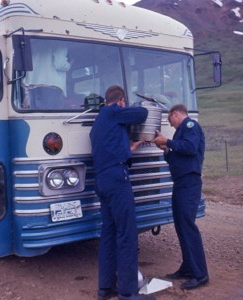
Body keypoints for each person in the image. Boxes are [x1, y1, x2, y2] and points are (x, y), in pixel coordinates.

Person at [90, 85, 156, 300]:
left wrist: (130, 148)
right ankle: (128, 293)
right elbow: (142, 114)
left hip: (102, 179)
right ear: (120, 101)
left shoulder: (100, 121)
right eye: (124, 103)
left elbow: (110, 146)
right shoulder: (112, 111)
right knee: (127, 233)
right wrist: (145, 103)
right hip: (117, 179)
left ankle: (105, 288)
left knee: (109, 233)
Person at [151, 104, 209, 290]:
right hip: (180, 183)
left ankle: (200, 274)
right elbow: (178, 156)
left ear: (175, 114)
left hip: (189, 183)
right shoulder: (179, 133)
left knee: (188, 227)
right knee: (181, 226)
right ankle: (187, 267)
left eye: (170, 120)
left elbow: (190, 148)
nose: (171, 124)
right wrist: (167, 150)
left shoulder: (191, 126)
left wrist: (168, 141)